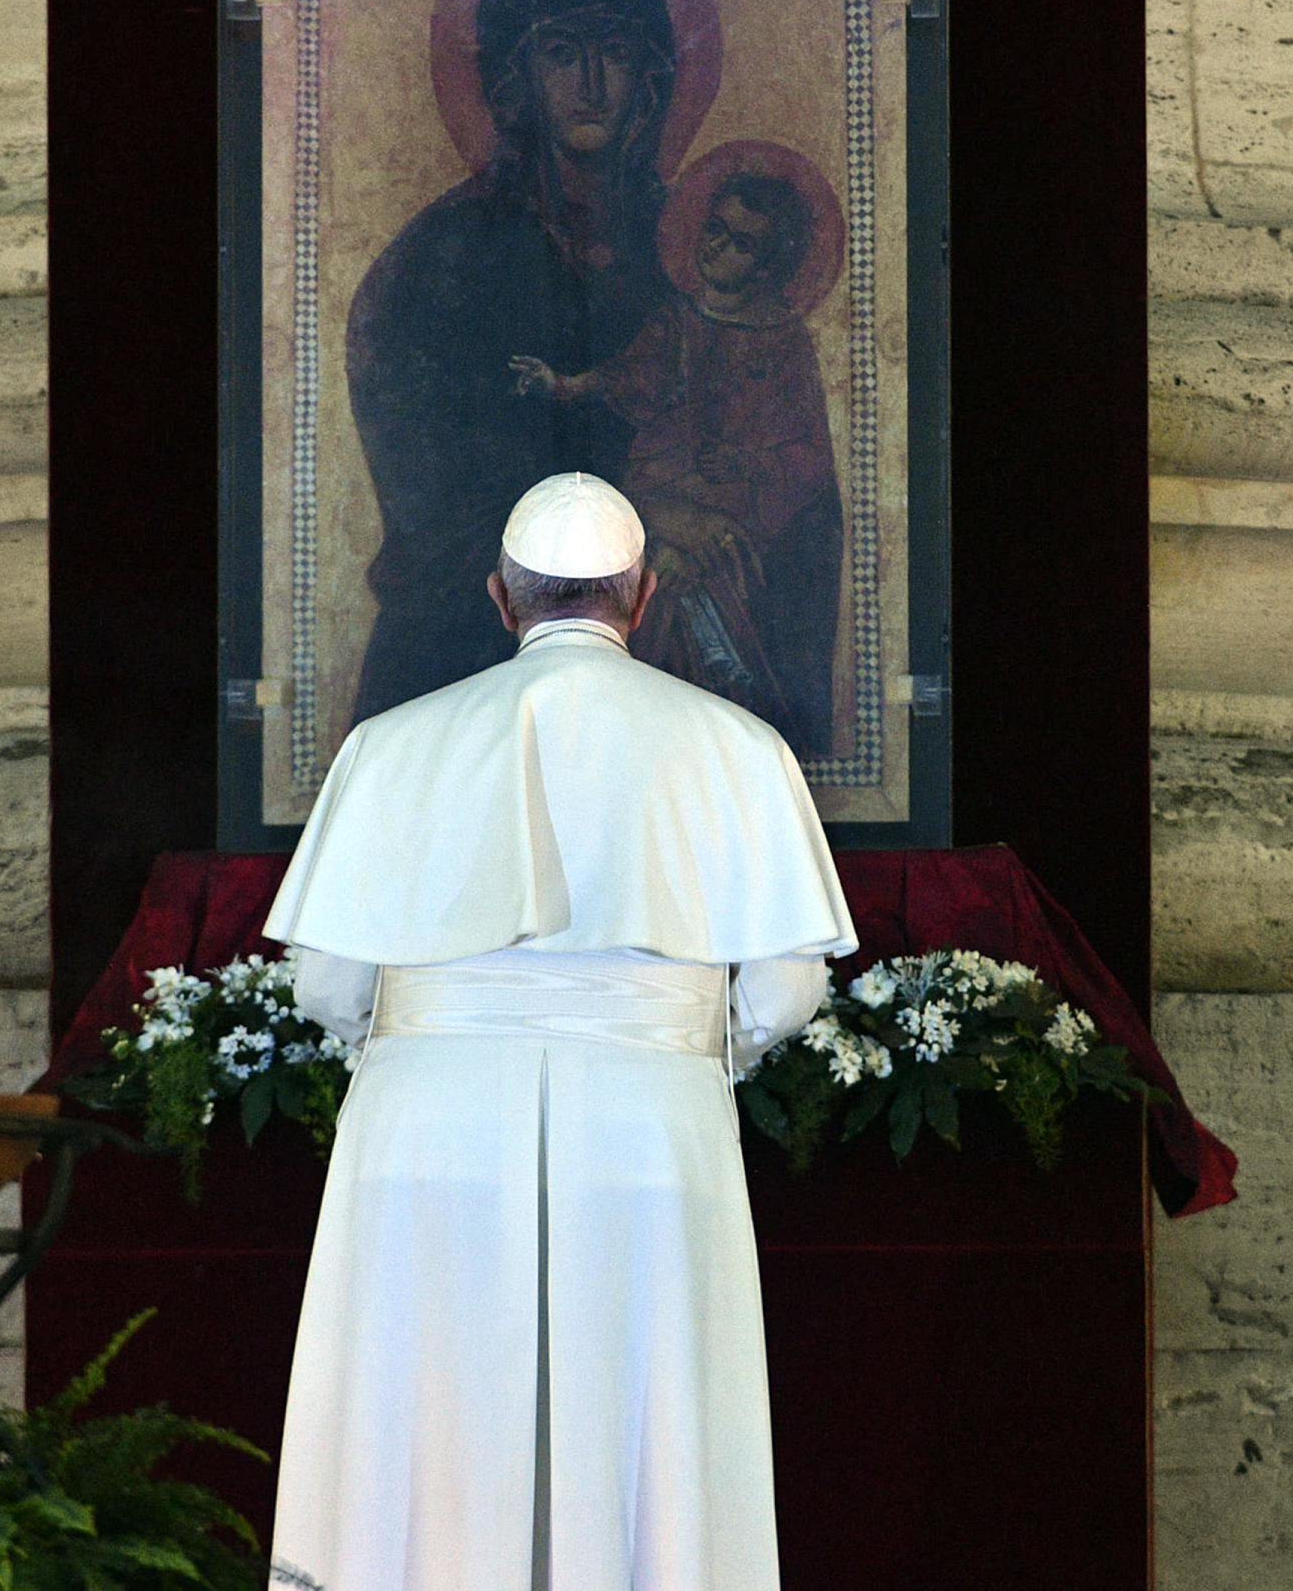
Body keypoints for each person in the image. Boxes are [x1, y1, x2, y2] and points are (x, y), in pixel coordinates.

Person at [262, 472, 856, 1591]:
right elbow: (781, 992)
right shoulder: (738, 747)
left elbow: (329, 983)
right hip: (651, 1126)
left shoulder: (389, 745)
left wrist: (427, 1043)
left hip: (427, 1128)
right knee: (649, 1416)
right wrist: (684, 1043)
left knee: (425, 1411)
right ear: (641, 593)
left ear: (500, 597)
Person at [345, 0, 680, 722]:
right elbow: (428, 488)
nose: (592, 84)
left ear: (651, 81)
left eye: (616, 54)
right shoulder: (441, 256)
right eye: (562, 55)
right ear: (517, 83)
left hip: (652, 628)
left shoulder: (694, 242)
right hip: (473, 642)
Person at [508, 171, 841, 753]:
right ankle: (641, 737)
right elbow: (630, 376)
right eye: (715, 229)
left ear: (768, 266)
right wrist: (562, 385)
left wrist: (744, 462)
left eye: (740, 242)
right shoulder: (676, 320)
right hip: (658, 495)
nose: (715, 246)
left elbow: (809, 457)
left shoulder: (785, 342)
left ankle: (709, 732)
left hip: (738, 513)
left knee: (691, 577)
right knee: (657, 571)